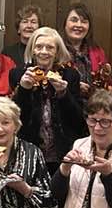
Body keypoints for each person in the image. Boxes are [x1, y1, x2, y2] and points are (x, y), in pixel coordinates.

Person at [9, 27, 85, 174]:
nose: (44, 51)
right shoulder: (18, 74)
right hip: (29, 148)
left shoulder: (70, 76)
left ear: (57, 51)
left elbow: (77, 120)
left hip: (62, 150)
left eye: (50, 47)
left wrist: (63, 93)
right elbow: (16, 118)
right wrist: (24, 89)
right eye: (39, 47)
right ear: (32, 50)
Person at [62, 3, 111, 94]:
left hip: (93, 104)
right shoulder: (56, 50)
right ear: (65, 24)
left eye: (84, 21)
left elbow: (107, 87)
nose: (79, 25)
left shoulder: (97, 51)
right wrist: (74, 87)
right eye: (74, 20)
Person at [4, 5, 43, 69]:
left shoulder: (44, 52)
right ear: (18, 29)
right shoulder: (8, 52)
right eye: (25, 22)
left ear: (39, 28)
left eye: (33, 22)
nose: (29, 26)